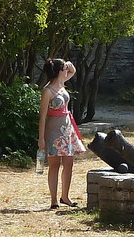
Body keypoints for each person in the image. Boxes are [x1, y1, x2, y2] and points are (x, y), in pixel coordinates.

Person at [39, 58, 85, 209]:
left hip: (67, 128)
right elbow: (43, 116)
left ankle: (65, 196)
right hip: (54, 129)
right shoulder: (48, 91)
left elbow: (73, 71)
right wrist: (41, 139)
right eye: (64, 68)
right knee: (54, 165)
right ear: (59, 71)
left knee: (69, 163)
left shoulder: (61, 84)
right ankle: (53, 200)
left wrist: (69, 65)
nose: (67, 70)